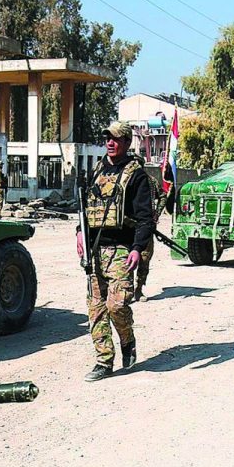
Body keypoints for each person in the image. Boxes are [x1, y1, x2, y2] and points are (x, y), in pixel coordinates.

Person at [79, 121, 156, 379]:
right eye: (107, 139)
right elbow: (85, 209)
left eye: (115, 139)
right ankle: (104, 361)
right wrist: (79, 234)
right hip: (95, 250)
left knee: (117, 305)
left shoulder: (136, 175)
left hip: (122, 249)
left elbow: (146, 218)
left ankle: (127, 339)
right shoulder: (97, 170)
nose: (110, 143)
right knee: (96, 307)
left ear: (125, 142)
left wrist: (137, 248)